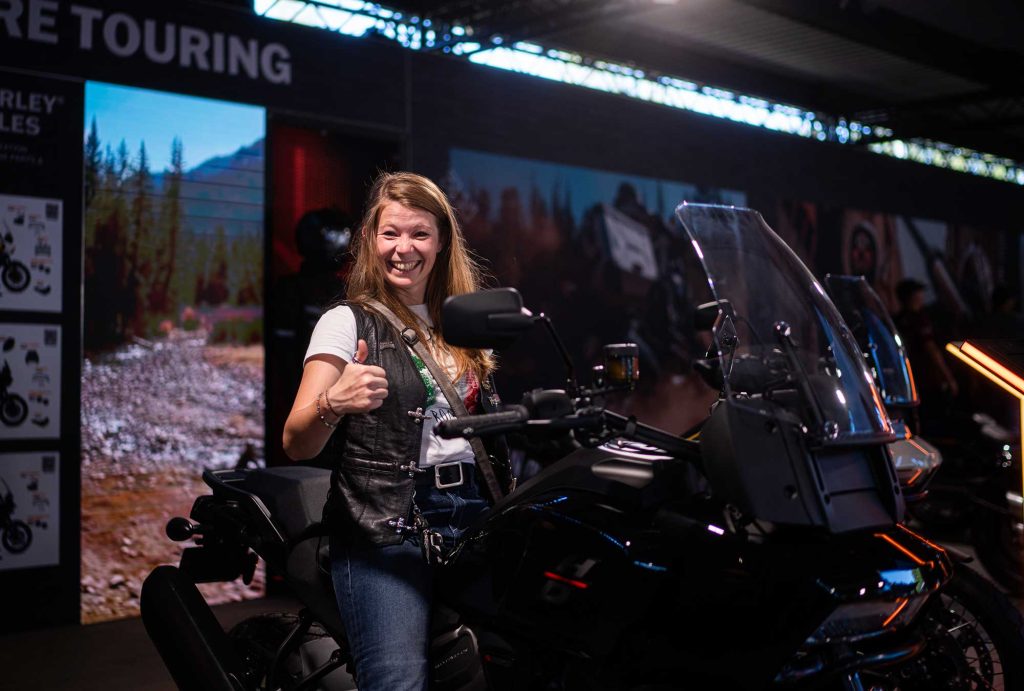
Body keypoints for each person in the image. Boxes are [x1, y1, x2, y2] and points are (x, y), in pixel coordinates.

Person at [282, 172, 509, 691]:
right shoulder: (347, 323)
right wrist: (333, 403)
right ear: (370, 239)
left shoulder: (461, 323)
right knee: (399, 682)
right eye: (391, 233)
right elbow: (297, 441)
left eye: (420, 234)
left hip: (473, 518)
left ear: (443, 241)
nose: (403, 248)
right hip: (385, 529)